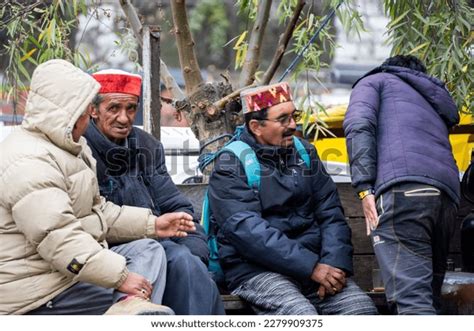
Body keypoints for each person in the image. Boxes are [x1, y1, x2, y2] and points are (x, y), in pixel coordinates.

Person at [0, 59, 197, 315]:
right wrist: (120, 277)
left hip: (66, 272)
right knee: (156, 312)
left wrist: (153, 225)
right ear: (70, 113)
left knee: (149, 249)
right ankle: (130, 310)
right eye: (86, 112)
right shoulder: (30, 161)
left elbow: (97, 212)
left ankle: (128, 307)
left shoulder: (68, 148)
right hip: (39, 292)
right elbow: (59, 239)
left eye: (130, 108)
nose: (123, 118)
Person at [207, 82, 377, 315]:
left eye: (294, 116)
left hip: (316, 267)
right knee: (300, 316)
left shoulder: (305, 153)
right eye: (283, 119)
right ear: (256, 126)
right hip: (257, 271)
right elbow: (247, 231)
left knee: (361, 313)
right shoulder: (231, 163)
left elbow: (331, 213)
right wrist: (310, 267)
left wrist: (334, 265)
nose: (293, 125)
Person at [83, 69, 225, 315]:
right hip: (110, 252)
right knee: (181, 263)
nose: (124, 118)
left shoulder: (146, 145)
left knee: (191, 262)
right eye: (114, 108)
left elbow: (175, 204)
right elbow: (92, 219)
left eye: (130, 108)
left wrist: (194, 248)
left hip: (161, 241)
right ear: (93, 110)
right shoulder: (82, 148)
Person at [343, 55, 460, 314]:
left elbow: (359, 126)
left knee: (413, 303)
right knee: (428, 298)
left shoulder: (374, 82)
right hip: (447, 197)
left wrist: (364, 189)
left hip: (404, 191)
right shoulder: (432, 100)